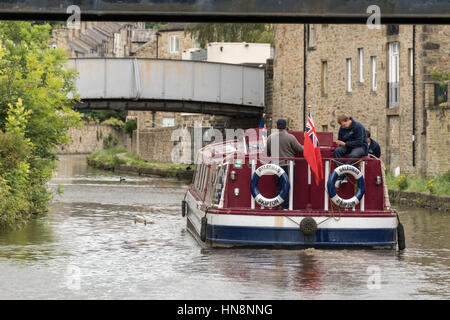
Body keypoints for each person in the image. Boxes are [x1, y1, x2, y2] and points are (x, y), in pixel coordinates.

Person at [266, 119, 303, 209]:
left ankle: (277, 204)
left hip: (276, 166)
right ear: (286, 126)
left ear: (277, 126)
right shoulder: (291, 137)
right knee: (287, 186)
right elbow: (300, 149)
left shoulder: (270, 137)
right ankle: (285, 207)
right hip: (288, 165)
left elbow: (268, 152)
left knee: (279, 186)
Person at [333, 114, 368, 187]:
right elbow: (340, 139)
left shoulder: (358, 126)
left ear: (348, 120)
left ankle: (342, 176)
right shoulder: (342, 128)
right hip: (348, 146)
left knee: (352, 155)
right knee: (337, 151)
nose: (343, 127)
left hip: (360, 147)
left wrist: (345, 144)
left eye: (344, 125)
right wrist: (340, 143)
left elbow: (359, 142)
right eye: (342, 126)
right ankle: (343, 175)